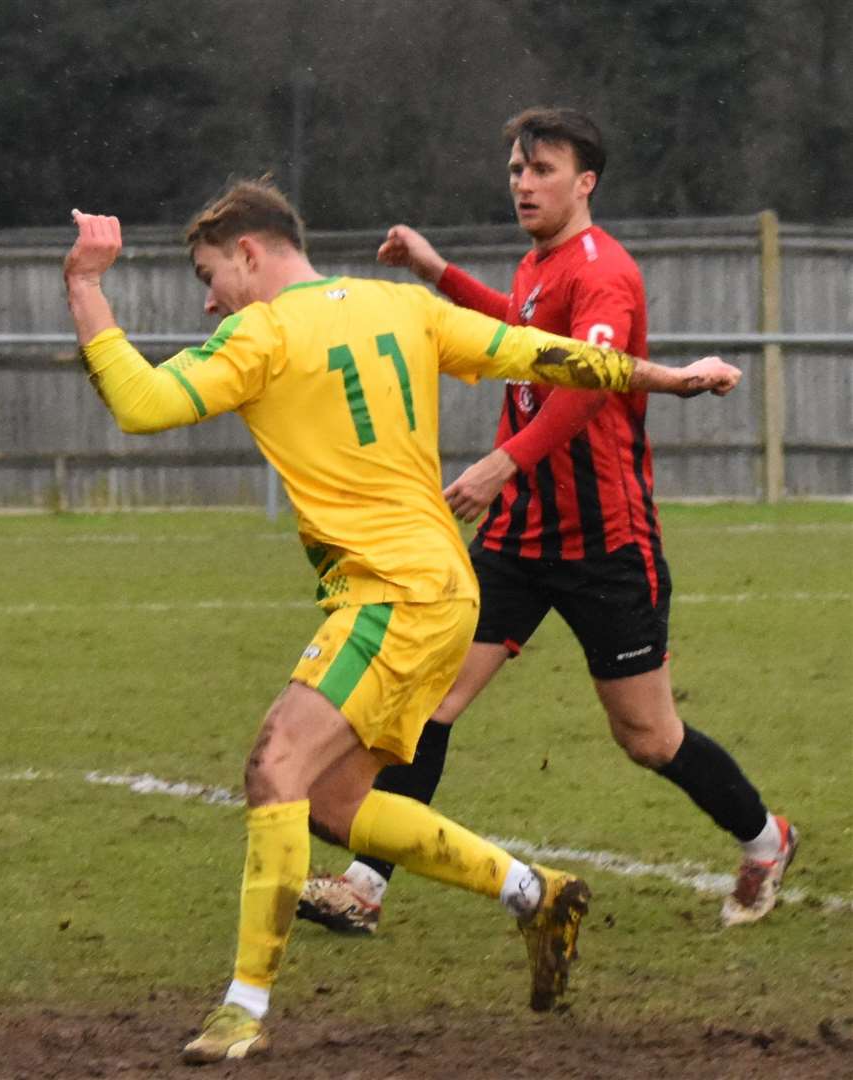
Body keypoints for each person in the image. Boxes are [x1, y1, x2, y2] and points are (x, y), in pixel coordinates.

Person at [60, 179, 743, 1064]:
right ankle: (535, 893)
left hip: (393, 594)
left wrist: (85, 287)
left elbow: (140, 404)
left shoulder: (260, 333)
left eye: (208, 275)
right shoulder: (404, 309)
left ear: (250, 254)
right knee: (339, 806)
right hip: (441, 591)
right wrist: (669, 377)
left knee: (275, 768)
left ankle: (242, 1008)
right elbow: (546, 355)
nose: (207, 299)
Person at [299, 107, 795, 937]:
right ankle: (363, 884)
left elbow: (588, 382)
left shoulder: (603, 272)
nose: (523, 184)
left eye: (541, 170)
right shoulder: (540, 265)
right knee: (428, 703)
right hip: (517, 542)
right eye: (515, 172)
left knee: (646, 735)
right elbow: (515, 331)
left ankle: (764, 838)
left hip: (605, 543)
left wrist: (503, 461)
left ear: (585, 181)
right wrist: (437, 270)